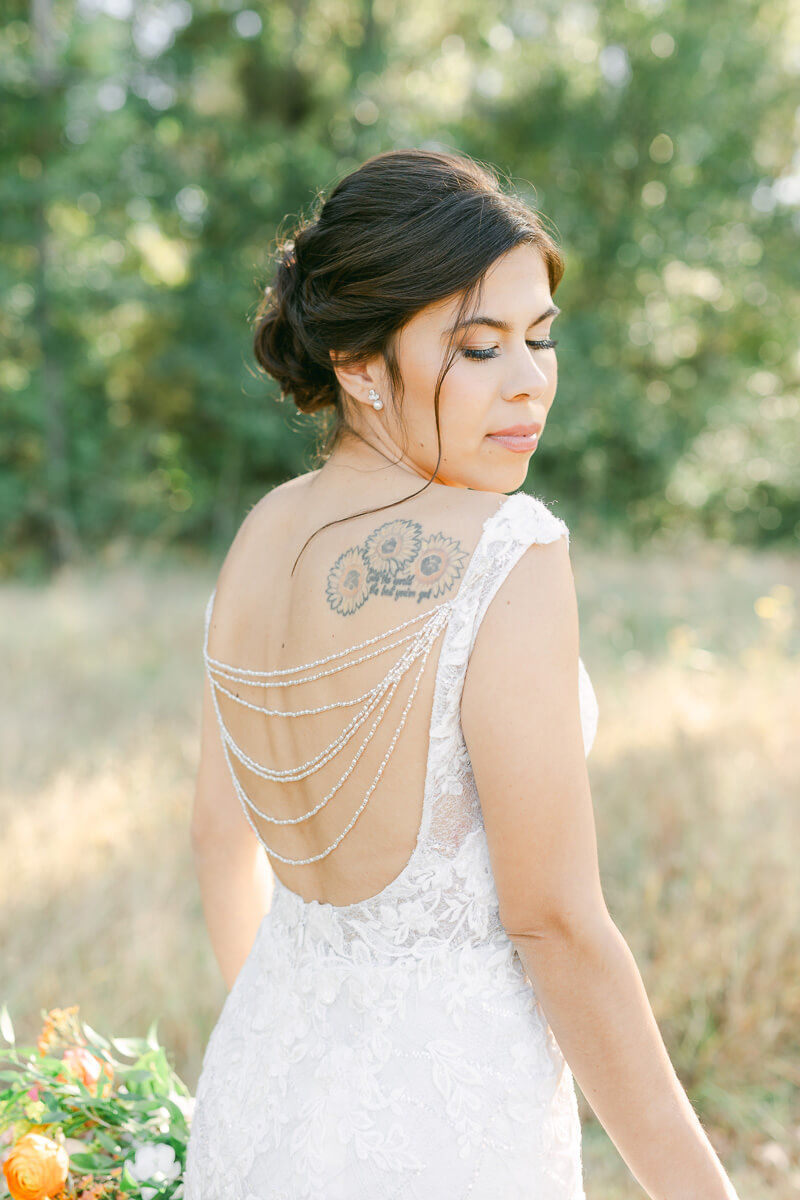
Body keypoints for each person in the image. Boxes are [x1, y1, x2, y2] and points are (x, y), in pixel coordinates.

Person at [184, 149, 739, 1199]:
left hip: (256, 1101)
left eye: (539, 338)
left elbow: (219, 836)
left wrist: (290, 1051)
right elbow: (556, 925)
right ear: (356, 364)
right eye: (479, 348)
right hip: (445, 1134)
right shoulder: (504, 549)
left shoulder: (256, 538)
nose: (530, 380)